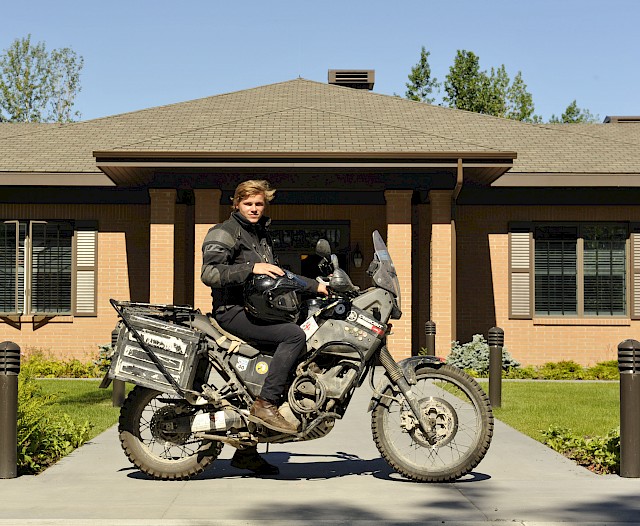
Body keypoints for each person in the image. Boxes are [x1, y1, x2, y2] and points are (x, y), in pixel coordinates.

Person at [201, 179, 327, 474]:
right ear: (236, 204)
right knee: (293, 337)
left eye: (259, 204)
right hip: (232, 311)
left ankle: (246, 451)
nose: (254, 208)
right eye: (248, 204)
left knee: (299, 337)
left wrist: (316, 286)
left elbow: (280, 274)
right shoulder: (225, 232)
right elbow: (209, 273)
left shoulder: (260, 236)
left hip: (258, 310)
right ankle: (265, 404)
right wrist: (250, 268)